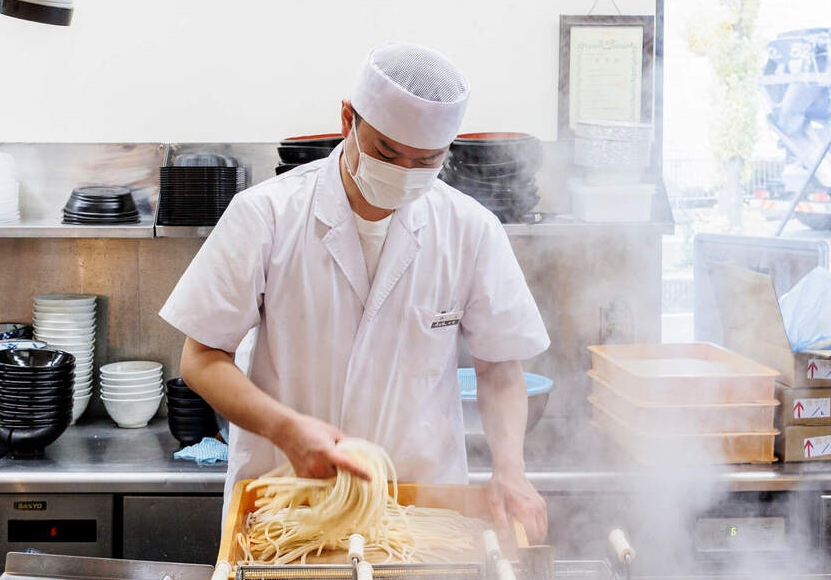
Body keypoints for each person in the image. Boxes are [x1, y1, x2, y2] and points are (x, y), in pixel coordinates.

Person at [160, 42, 550, 541]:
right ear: (348, 119)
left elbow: (499, 367)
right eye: (388, 153)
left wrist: (510, 469)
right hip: (290, 507)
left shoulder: (470, 230)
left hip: (418, 514)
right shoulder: (267, 216)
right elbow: (201, 358)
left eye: (426, 160)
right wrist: (285, 429)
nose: (405, 174)